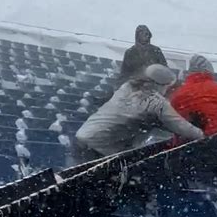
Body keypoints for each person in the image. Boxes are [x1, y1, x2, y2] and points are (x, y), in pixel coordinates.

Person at [75, 64, 204, 159]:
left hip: (82, 137)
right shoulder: (156, 102)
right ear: (162, 85)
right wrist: (203, 135)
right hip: (102, 147)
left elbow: (131, 111)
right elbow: (182, 127)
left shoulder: (126, 87)